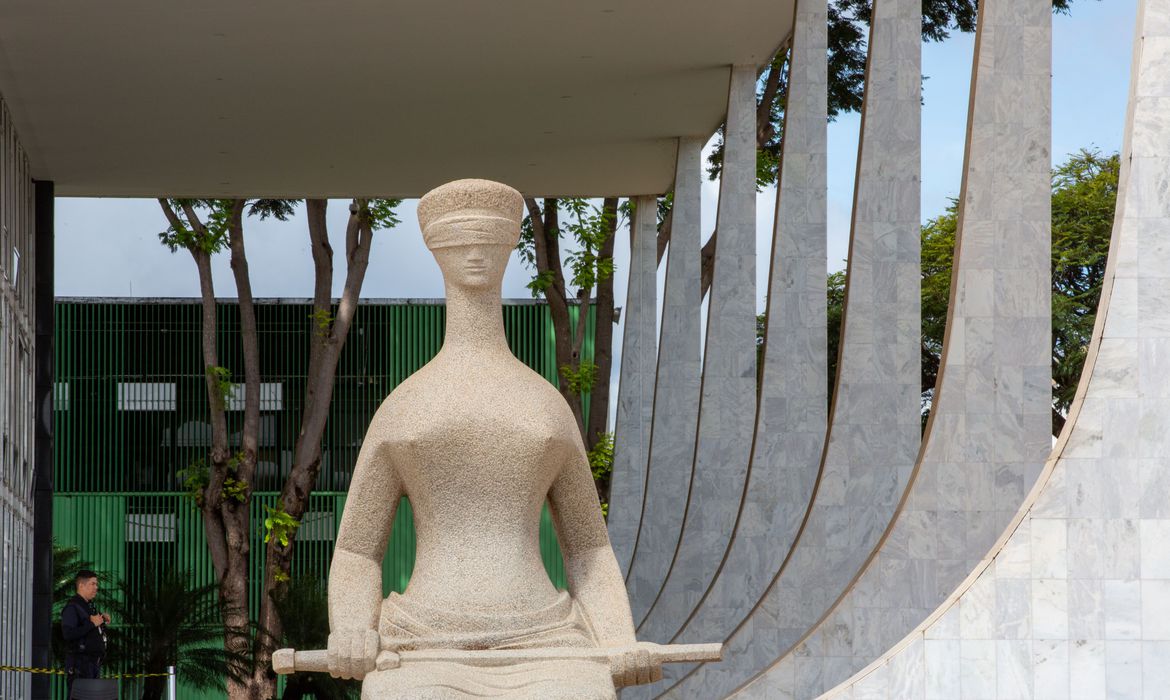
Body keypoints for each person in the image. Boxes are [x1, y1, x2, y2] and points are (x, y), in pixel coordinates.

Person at [61, 570, 109, 695]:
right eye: (92, 584)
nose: (96, 587)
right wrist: (92, 624)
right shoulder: (72, 607)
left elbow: (90, 629)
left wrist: (101, 620)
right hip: (80, 665)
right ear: (81, 586)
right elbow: (68, 633)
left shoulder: (88, 606)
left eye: (96, 584)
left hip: (93, 664)